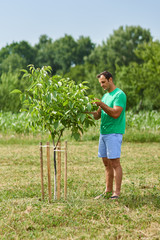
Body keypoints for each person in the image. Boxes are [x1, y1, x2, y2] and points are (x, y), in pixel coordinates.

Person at [89, 71, 127, 199]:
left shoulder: (119, 95)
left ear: (110, 79)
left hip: (114, 133)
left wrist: (101, 104)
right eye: (100, 83)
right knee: (106, 163)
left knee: (115, 162)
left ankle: (116, 193)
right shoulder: (105, 96)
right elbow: (97, 116)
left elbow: (115, 113)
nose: (102, 85)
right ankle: (108, 191)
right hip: (104, 133)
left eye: (103, 82)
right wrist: (85, 109)